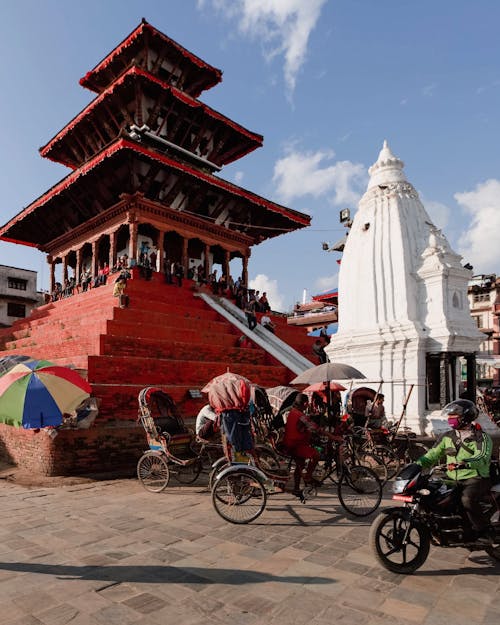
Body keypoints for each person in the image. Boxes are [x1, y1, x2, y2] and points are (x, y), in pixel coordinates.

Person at [415, 399, 494, 544]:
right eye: (449, 416)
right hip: (452, 478)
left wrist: (464, 463)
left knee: (466, 499)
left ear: (465, 417)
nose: (450, 419)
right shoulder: (447, 437)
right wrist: (416, 465)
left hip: (476, 477)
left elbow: (482, 457)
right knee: (431, 495)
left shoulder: (481, 437)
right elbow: (432, 455)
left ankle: (484, 532)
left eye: (454, 416)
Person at [283, 393, 341, 496]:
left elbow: (303, 428)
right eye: (307, 404)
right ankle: (308, 477)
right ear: (305, 403)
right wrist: (333, 437)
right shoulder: (300, 415)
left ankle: (296, 488)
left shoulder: (293, 412)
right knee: (316, 455)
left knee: (300, 465)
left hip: (292, 442)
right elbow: (316, 428)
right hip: (295, 445)